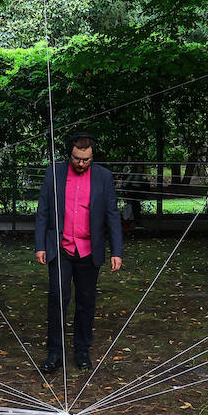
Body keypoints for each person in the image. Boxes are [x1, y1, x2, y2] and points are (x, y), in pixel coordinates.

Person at [34, 132, 124, 374]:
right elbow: (43, 210)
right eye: (77, 159)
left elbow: (112, 215)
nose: (81, 164)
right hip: (60, 249)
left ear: (92, 157)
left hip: (88, 250)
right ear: (70, 154)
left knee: (86, 302)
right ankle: (55, 352)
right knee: (57, 301)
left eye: (86, 159)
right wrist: (40, 245)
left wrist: (117, 250)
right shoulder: (55, 173)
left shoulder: (104, 177)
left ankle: (82, 351)